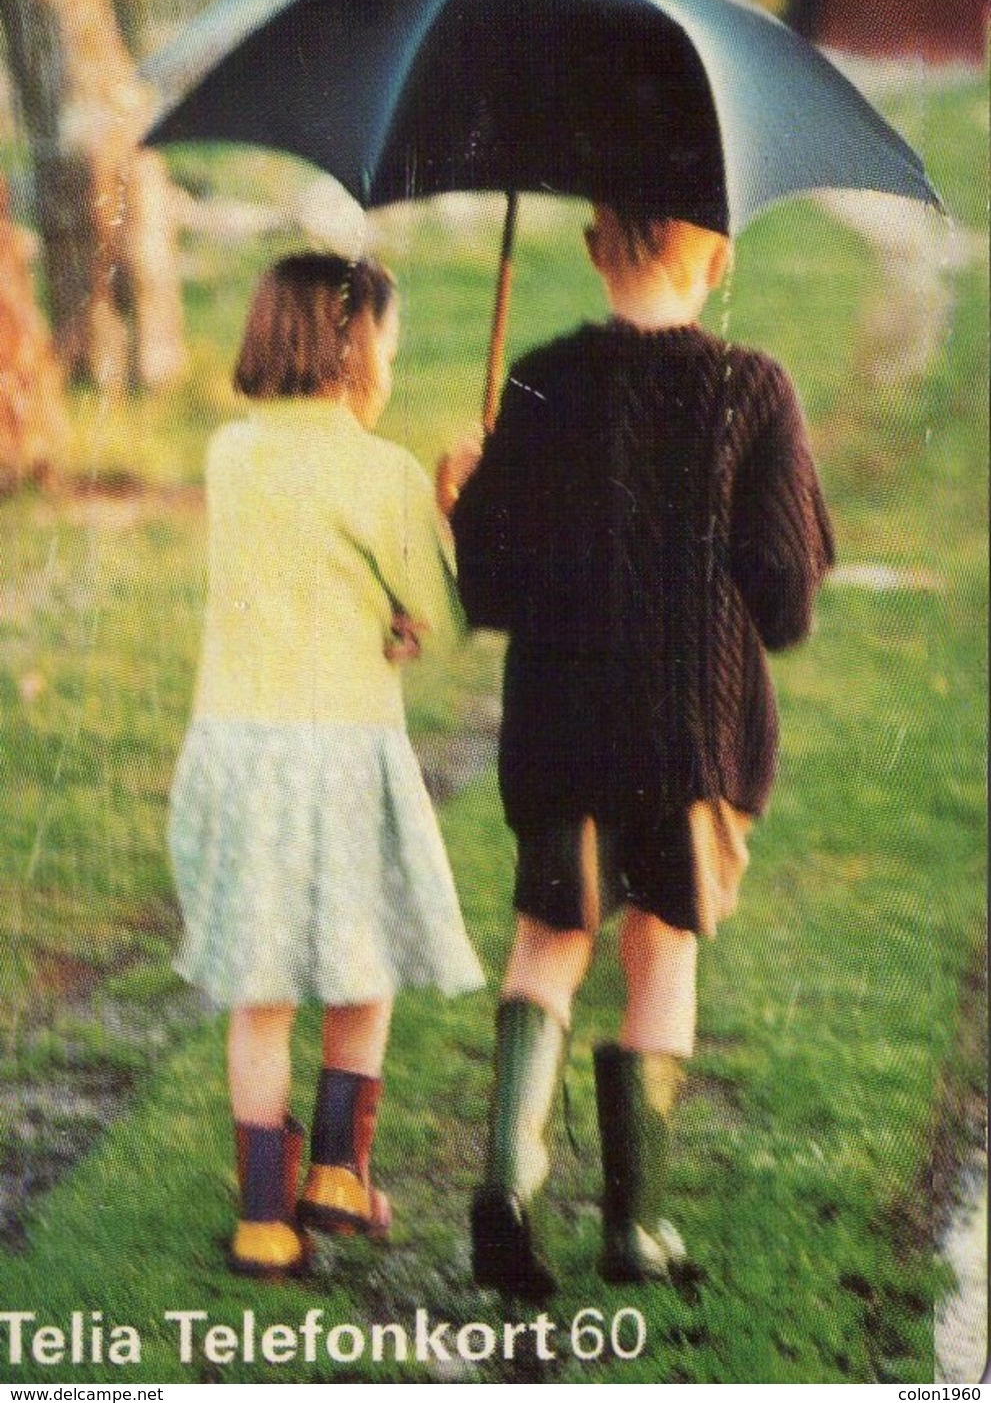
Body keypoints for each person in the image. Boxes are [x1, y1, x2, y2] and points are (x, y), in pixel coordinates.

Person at [447, 202, 835, 1296]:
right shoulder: (754, 388)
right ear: (718, 261)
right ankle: (636, 1228)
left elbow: (490, 586)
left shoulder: (538, 376)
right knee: (663, 954)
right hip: (696, 740)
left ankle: (508, 1182)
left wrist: (466, 494)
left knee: (546, 947)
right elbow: (786, 595)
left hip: (562, 735)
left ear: (589, 247)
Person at [169, 252, 484, 1279]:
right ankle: (341, 1173)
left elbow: (307, 572)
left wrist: (382, 610)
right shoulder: (382, 471)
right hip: (343, 754)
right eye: (387, 342)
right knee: (363, 960)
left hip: (240, 750)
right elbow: (429, 602)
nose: (393, 362)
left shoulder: (230, 455)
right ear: (354, 352)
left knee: (262, 992)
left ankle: (264, 1216)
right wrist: (448, 503)